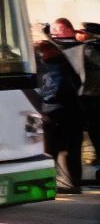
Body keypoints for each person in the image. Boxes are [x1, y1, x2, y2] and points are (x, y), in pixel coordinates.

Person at [34, 39, 83, 194]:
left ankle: (57, 183)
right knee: (70, 151)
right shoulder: (65, 64)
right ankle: (73, 183)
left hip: (56, 113)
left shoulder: (49, 66)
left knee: (53, 151)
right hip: (67, 113)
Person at [76, 22, 100, 183]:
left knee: (94, 132)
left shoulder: (89, 49)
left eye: (83, 32)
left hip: (93, 98)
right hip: (91, 97)